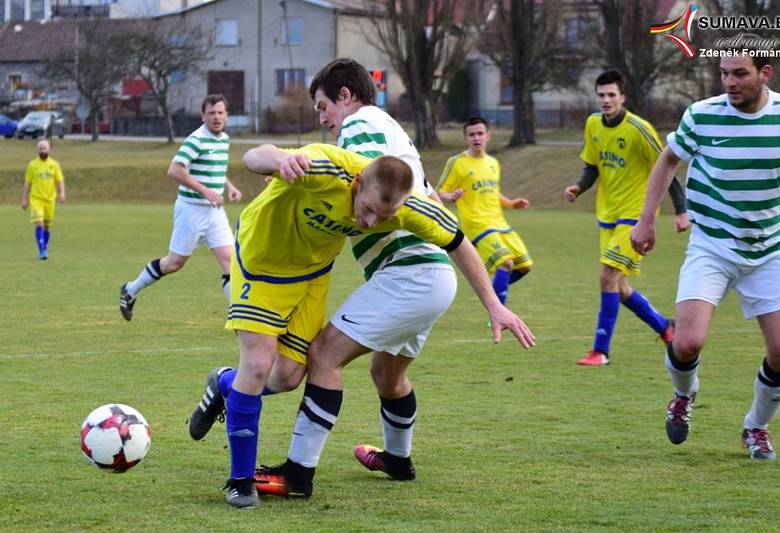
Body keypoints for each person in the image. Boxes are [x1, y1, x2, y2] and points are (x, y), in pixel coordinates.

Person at [188, 59, 492, 488]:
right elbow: (440, 222)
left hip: (406, 270)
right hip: (433, 276)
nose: (324, 119)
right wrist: (281, 159)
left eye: (322, 107)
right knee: (387, 374)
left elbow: (369, 174)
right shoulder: (388, 142)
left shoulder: (360, 129)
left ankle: (298, 474)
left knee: (323, 356)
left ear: (345, 97)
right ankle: (398, 461)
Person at [210, 142, 535, 508]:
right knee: (257, 365)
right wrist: (283, 160)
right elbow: (255, 155)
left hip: (311, 274)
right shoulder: (328, 166)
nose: (368, 224)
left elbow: (458, 241)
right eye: (367, 210)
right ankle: (241, 482)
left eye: (382, 218)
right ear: (359, 182)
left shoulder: (406, 206)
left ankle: (224, 384)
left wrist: (495, 305)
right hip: (261, 262)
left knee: (285, 377)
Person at [631, 54, 780, 460]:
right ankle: (682, 397)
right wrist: (647, 219)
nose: (729, 82)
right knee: (687, 342)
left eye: (740, 73)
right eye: (724, 73)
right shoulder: (702, 115)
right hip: (712, 245)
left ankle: (755, 427)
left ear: (765, 73)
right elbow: (669, 159)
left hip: (769, 249)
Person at [564, 69, 690, 366]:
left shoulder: (638, 128)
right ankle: (664, 327)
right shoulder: (593, 124)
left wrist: (681, 211)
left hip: (635, 216)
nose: (606, 100)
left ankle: (600, 351)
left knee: (607, 276)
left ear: (623, 97)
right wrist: (578, 187)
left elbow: (667, 168)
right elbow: (592, 166)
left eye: (611, 95)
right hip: (607, 215)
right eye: (601, 95)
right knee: (619, 288)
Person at [118, 94, 242, 321]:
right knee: (174, 263)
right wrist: (205, 191)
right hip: (191, 210)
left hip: (214, 212)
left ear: (227, 115)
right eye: (211, 113)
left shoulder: (223, 139)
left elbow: (215, 167)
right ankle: (130, 289)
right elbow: (174, 170)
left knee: (231, 262)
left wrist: (229, 186)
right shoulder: (196, 139)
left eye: (220, 113)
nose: (216, 117)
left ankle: (238, 317)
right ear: (203, 116)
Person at [437, 116, 532, 306]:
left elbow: (493, 193)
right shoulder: (457, 162)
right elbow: (438, 192)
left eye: (480, 133)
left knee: (524, 266)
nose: (476, 138)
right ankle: (496, 311)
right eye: (471, 135)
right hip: (476, 225)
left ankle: (489, 290)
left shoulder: (493, 163)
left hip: (499, 224)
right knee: (506, 262)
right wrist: (450, 197)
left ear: (488, 136)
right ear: (465, 139)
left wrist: (512, 203)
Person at [20, 140, 65, 260]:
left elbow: (59, 180)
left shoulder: (54, 165)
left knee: (47, 226)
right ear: (37, 150)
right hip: (36, 199)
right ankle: (42, 251)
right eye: (40, 149)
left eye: (44, 148)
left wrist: (61, 193)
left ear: (49, 150)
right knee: (39, 223)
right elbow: (27, 183)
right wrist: (24, 198)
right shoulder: (32, 165)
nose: (42, 151)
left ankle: (44, 246)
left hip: (50, 200)